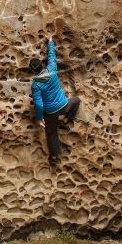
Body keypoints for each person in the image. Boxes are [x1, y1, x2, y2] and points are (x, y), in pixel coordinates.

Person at [29, 35, 81, 165]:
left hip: (50, 113)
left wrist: (40, 118)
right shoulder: (51, 70)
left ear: (32, 71)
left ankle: (55, 157)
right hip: (63, 106)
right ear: (42, 65)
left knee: (51, 133)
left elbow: (38, 103)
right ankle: (67, 120)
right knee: (76, 100)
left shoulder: (35, 84)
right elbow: (52, 57)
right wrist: (51, 42)